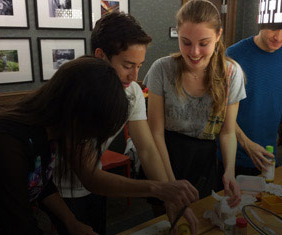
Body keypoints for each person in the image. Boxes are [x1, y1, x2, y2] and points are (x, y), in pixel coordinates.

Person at [0, 56, 198, 235]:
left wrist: (70, 221)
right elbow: (18, 225)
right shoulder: (5, 145)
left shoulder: (47, 132)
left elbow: (41, 183)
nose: (89, 140)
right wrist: (155, 189)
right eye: (92, 132)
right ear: (76, 113)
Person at [44, 12, 200, 234]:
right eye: (127, 65)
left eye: (139, 65)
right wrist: (159, 190)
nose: (134, 76)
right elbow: (87, 176)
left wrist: (170, 197)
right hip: (58, 189)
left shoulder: (133, 92)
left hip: (98, 183)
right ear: (100, 55)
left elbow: (146, 149)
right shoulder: (79, 91)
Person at [144, 0, 245, 223]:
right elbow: (156, 133)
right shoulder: (161, 69)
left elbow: (227, 132)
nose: (195, 52)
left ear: (218, 35)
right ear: (177, 34)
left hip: (204, 159)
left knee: (201, 220)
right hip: (166, 155)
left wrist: (229, 171)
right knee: (166, 221)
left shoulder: (231, 73)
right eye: (186, 42)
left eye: (204, 43)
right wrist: (170, 185)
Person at [220, 29, 282, 176]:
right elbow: (221, 109)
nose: (279, 37)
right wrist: (246, 143)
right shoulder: (234, 54)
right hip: (231, 155)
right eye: (273, 29)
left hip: (268, 154)